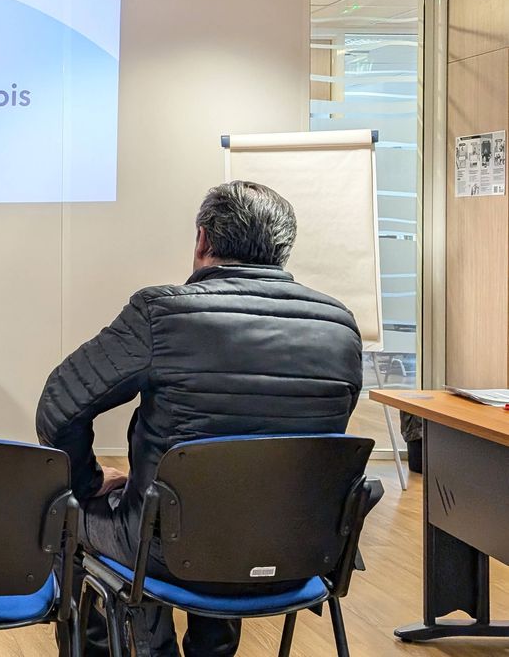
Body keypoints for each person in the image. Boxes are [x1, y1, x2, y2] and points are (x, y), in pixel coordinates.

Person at [36, 181, 363, 657]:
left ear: (204, 240)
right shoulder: (340, 327)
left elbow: (58, 405)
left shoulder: (163, 313)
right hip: (300, 552)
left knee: (75, 518)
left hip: (169, 553)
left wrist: (86, 482)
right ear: (281, 251)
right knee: (233, 514)